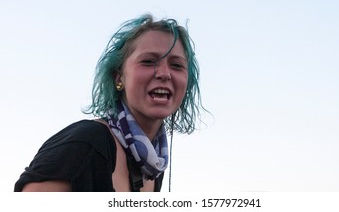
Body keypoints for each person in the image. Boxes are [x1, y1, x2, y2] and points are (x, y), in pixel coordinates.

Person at [14, 14, 203, 192]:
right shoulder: (85, 143)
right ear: (118, 77)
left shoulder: (153, 168)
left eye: (177, 65)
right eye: (148, 61)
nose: (164, 73)